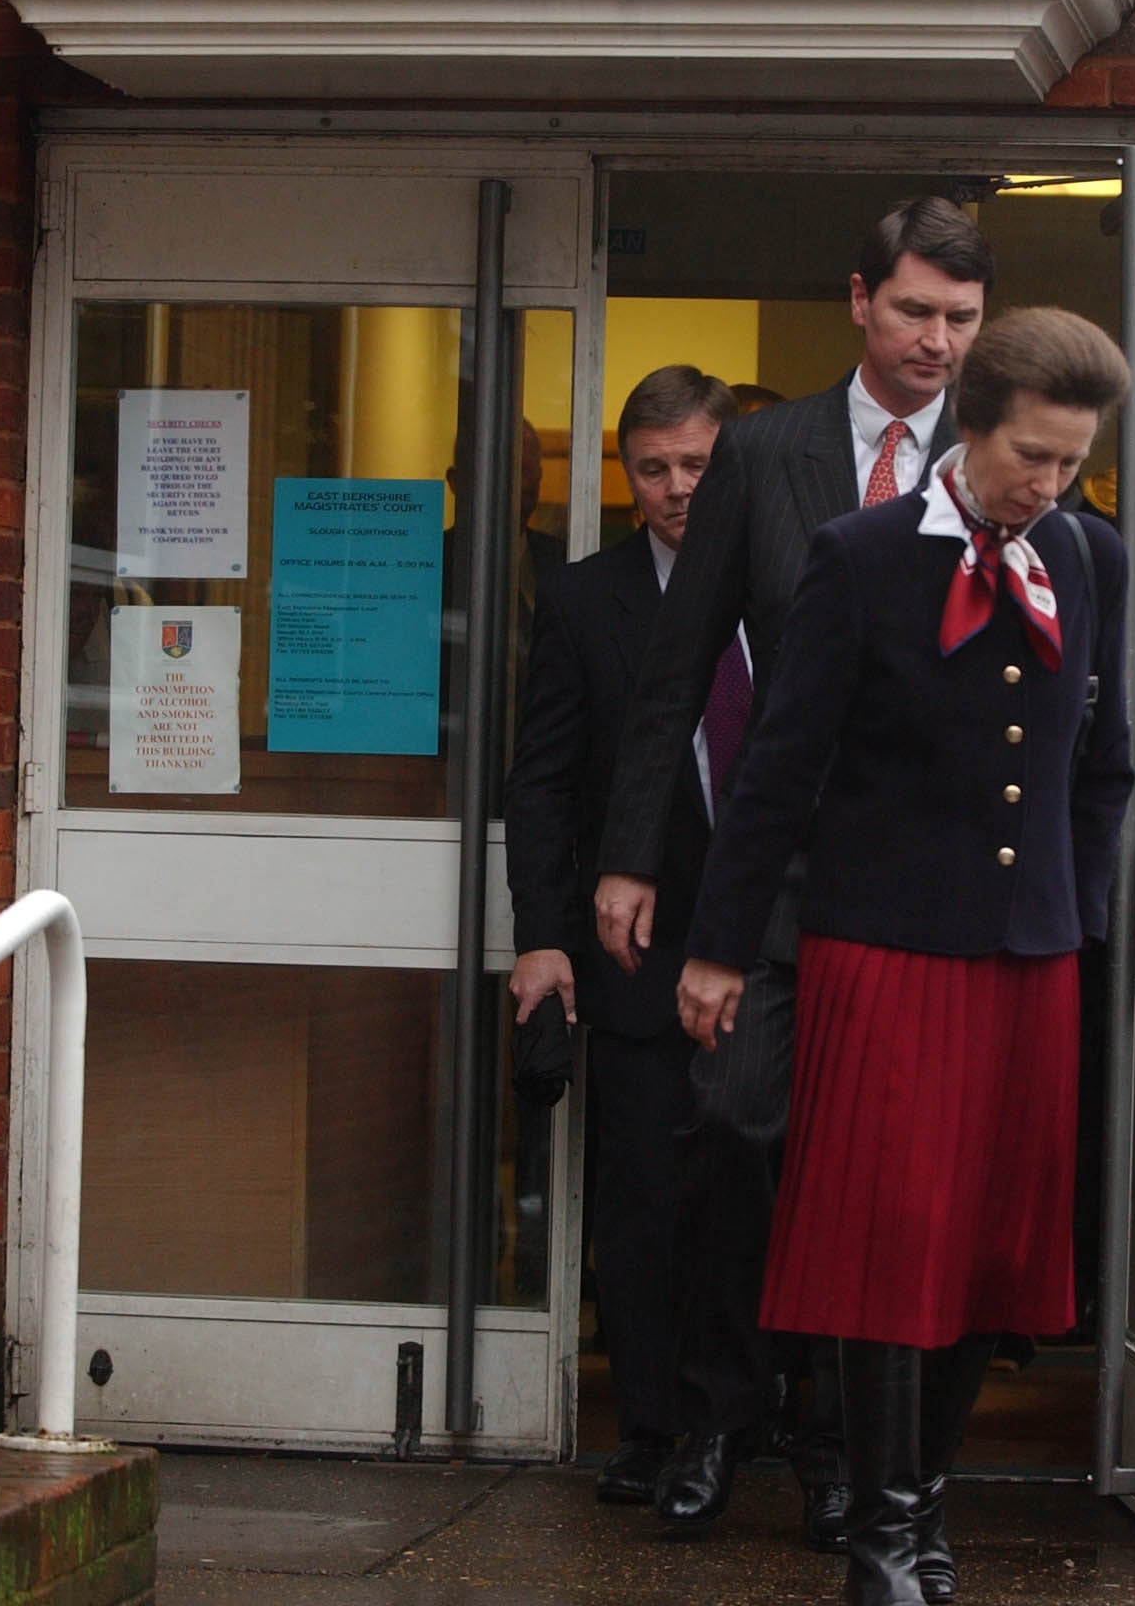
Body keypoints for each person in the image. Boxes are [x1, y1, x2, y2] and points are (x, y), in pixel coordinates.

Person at [677, 308, 1134, 1606]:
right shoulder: (862, 555)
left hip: (1030, 958)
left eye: (1072, 463)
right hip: (882, 953)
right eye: (1031, 458)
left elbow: (1107, 767)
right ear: (971, 426)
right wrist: (719, 948)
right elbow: (778, 769)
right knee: (891, 1245)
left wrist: (1076, 908)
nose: (1049, 487)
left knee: (992, 1244)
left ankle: (930, 1513)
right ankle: (879, 1539)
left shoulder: (1084, 557)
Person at [595, 197, 994, 1539]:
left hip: (920, 890)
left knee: (872, 1167)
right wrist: (631, 858)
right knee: (737, 1129)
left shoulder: (995, 458)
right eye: (916, 312)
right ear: (859, 302)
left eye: (962, 319)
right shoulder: (764, 456)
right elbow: (674, 670)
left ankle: (836, 1441)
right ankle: (719, 1407)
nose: (938, 342)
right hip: (762, 883)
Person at [505, 365, 739, 1504]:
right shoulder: (586, 599)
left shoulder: (790, 583)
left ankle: (755, 1423)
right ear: (624, 471)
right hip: (636, 952)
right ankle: (650, 1429)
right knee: (643, 1200)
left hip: (761, 949)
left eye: (695, 463)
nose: (676, 487)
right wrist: (544, 939)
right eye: (652, 467)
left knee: (753, 1195)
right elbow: (543, 782)